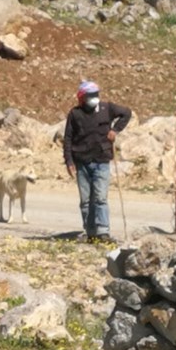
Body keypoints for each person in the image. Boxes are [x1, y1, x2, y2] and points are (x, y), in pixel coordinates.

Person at [63, 81, 132, 244]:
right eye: (89, 96)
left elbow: (127, 113)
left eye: (95, 95)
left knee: (100, 198)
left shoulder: (107, 108)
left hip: (101, 160)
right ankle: (90, 231)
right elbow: (68, 139)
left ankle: (103, 232)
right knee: (86, 200)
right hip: (82, 162)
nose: (93, 99)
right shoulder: (75, 114)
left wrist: (115, 130)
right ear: (81, 98)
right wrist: (69, 161)